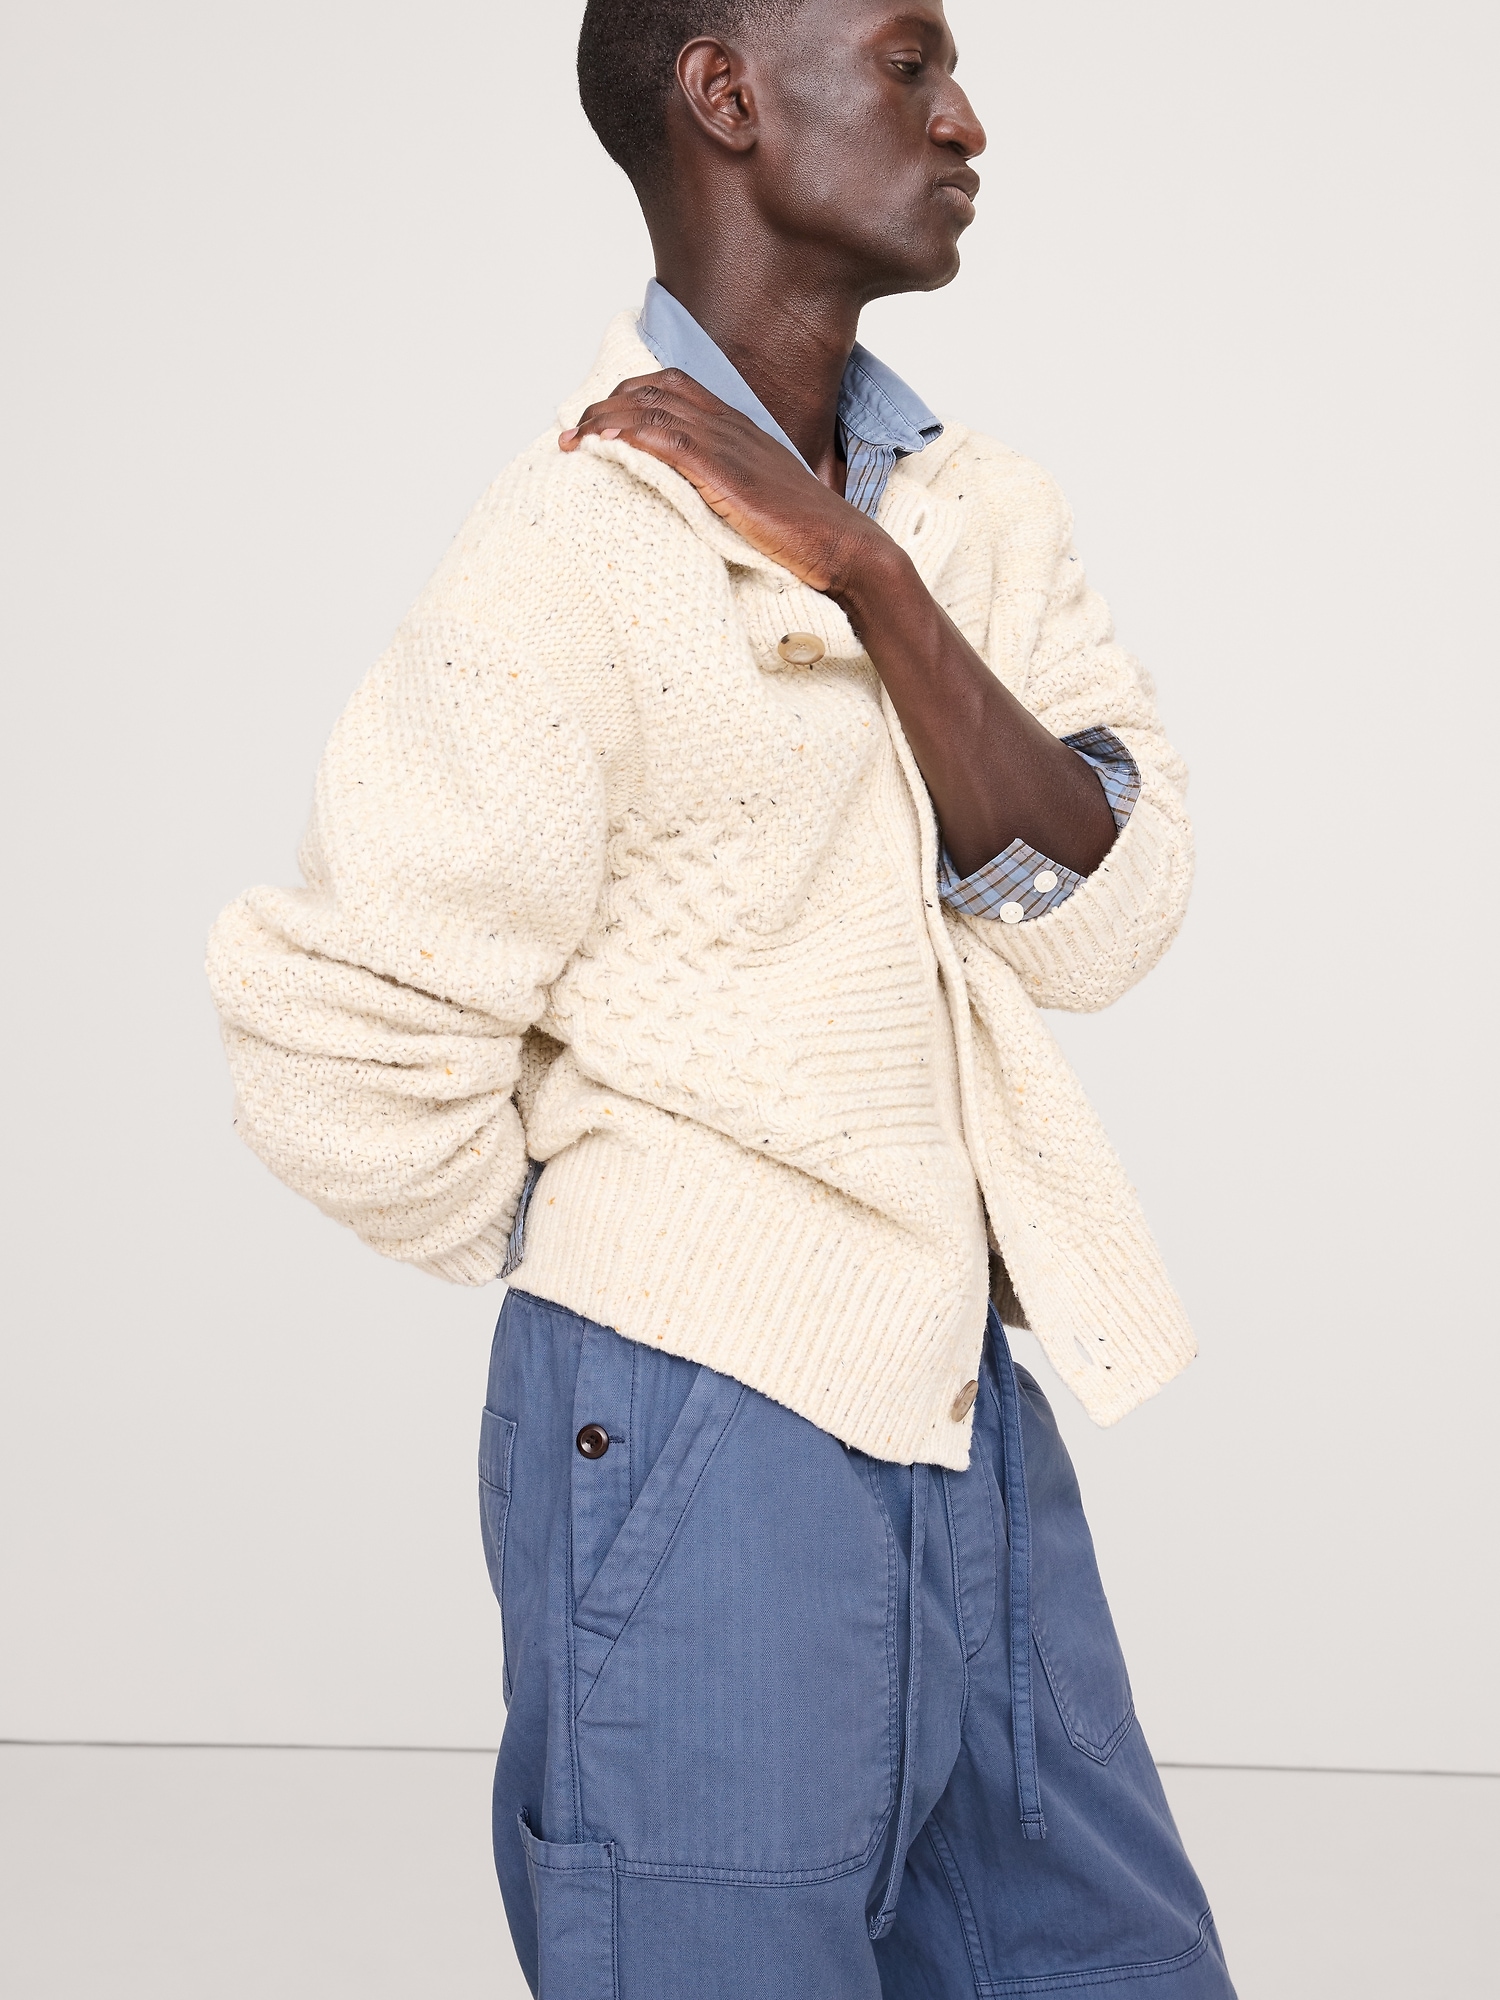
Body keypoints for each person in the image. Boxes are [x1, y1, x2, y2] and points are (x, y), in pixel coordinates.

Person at [207, 1, 1236, 1992]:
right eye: (911, 64)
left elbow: (1105, 911)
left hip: (963, 1406)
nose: (967, 119)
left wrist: (868, 576)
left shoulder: (975, 517)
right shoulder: (572, 542)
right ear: (726, 93)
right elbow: (336, 1042)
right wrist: (641, 1232)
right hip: (696, 1412)